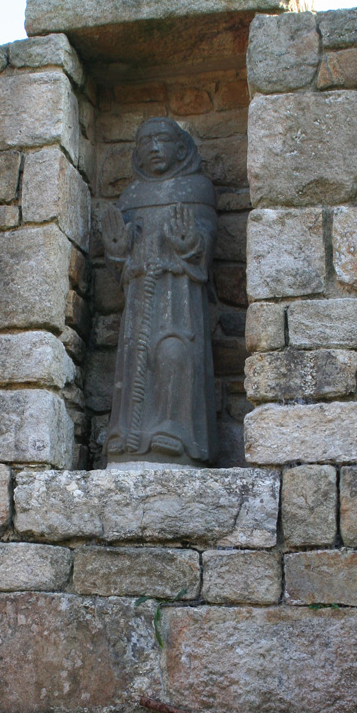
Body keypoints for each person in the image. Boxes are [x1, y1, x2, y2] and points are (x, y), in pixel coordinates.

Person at [101, 117, 218, 467]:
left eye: (162, 140)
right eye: (146, 141)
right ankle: (127, 433)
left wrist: (192, 242)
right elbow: (119, 261)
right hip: (139, 294)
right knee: (136, 357)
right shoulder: (131, 196)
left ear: (180, 148)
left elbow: (207, 240)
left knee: (173, 353)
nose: (153, 148)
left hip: (179, 294)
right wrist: (119, 250)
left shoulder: (196, 189)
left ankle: (177, 430)